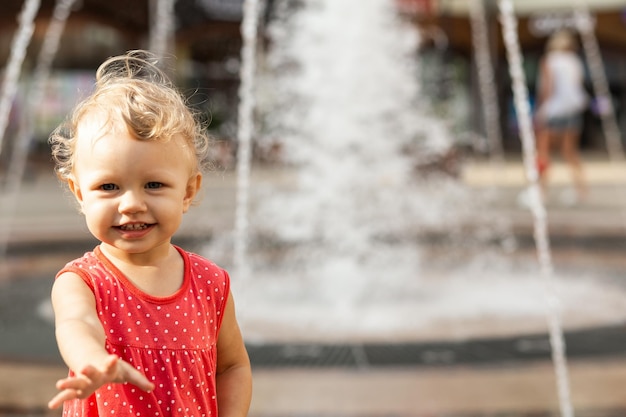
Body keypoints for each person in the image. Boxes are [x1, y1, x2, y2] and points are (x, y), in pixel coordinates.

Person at [46, 50, 252, 416]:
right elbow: (76, 324)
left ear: (188, 192)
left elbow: (232, 366)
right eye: (109, 187)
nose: (131, 204)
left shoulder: (210, 285)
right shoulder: (83, 282)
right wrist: (93, 361)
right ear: (79, 193)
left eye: (154, 185)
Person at [534, 29, 588, 203]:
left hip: (553, 111)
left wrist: (539, 110)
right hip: (573, 110)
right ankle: (581, 190)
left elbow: (547, 88)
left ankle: (541, 192)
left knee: (543, 152)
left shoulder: (550, 60)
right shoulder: (575, 61)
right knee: (570, 152)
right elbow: (577, 86)